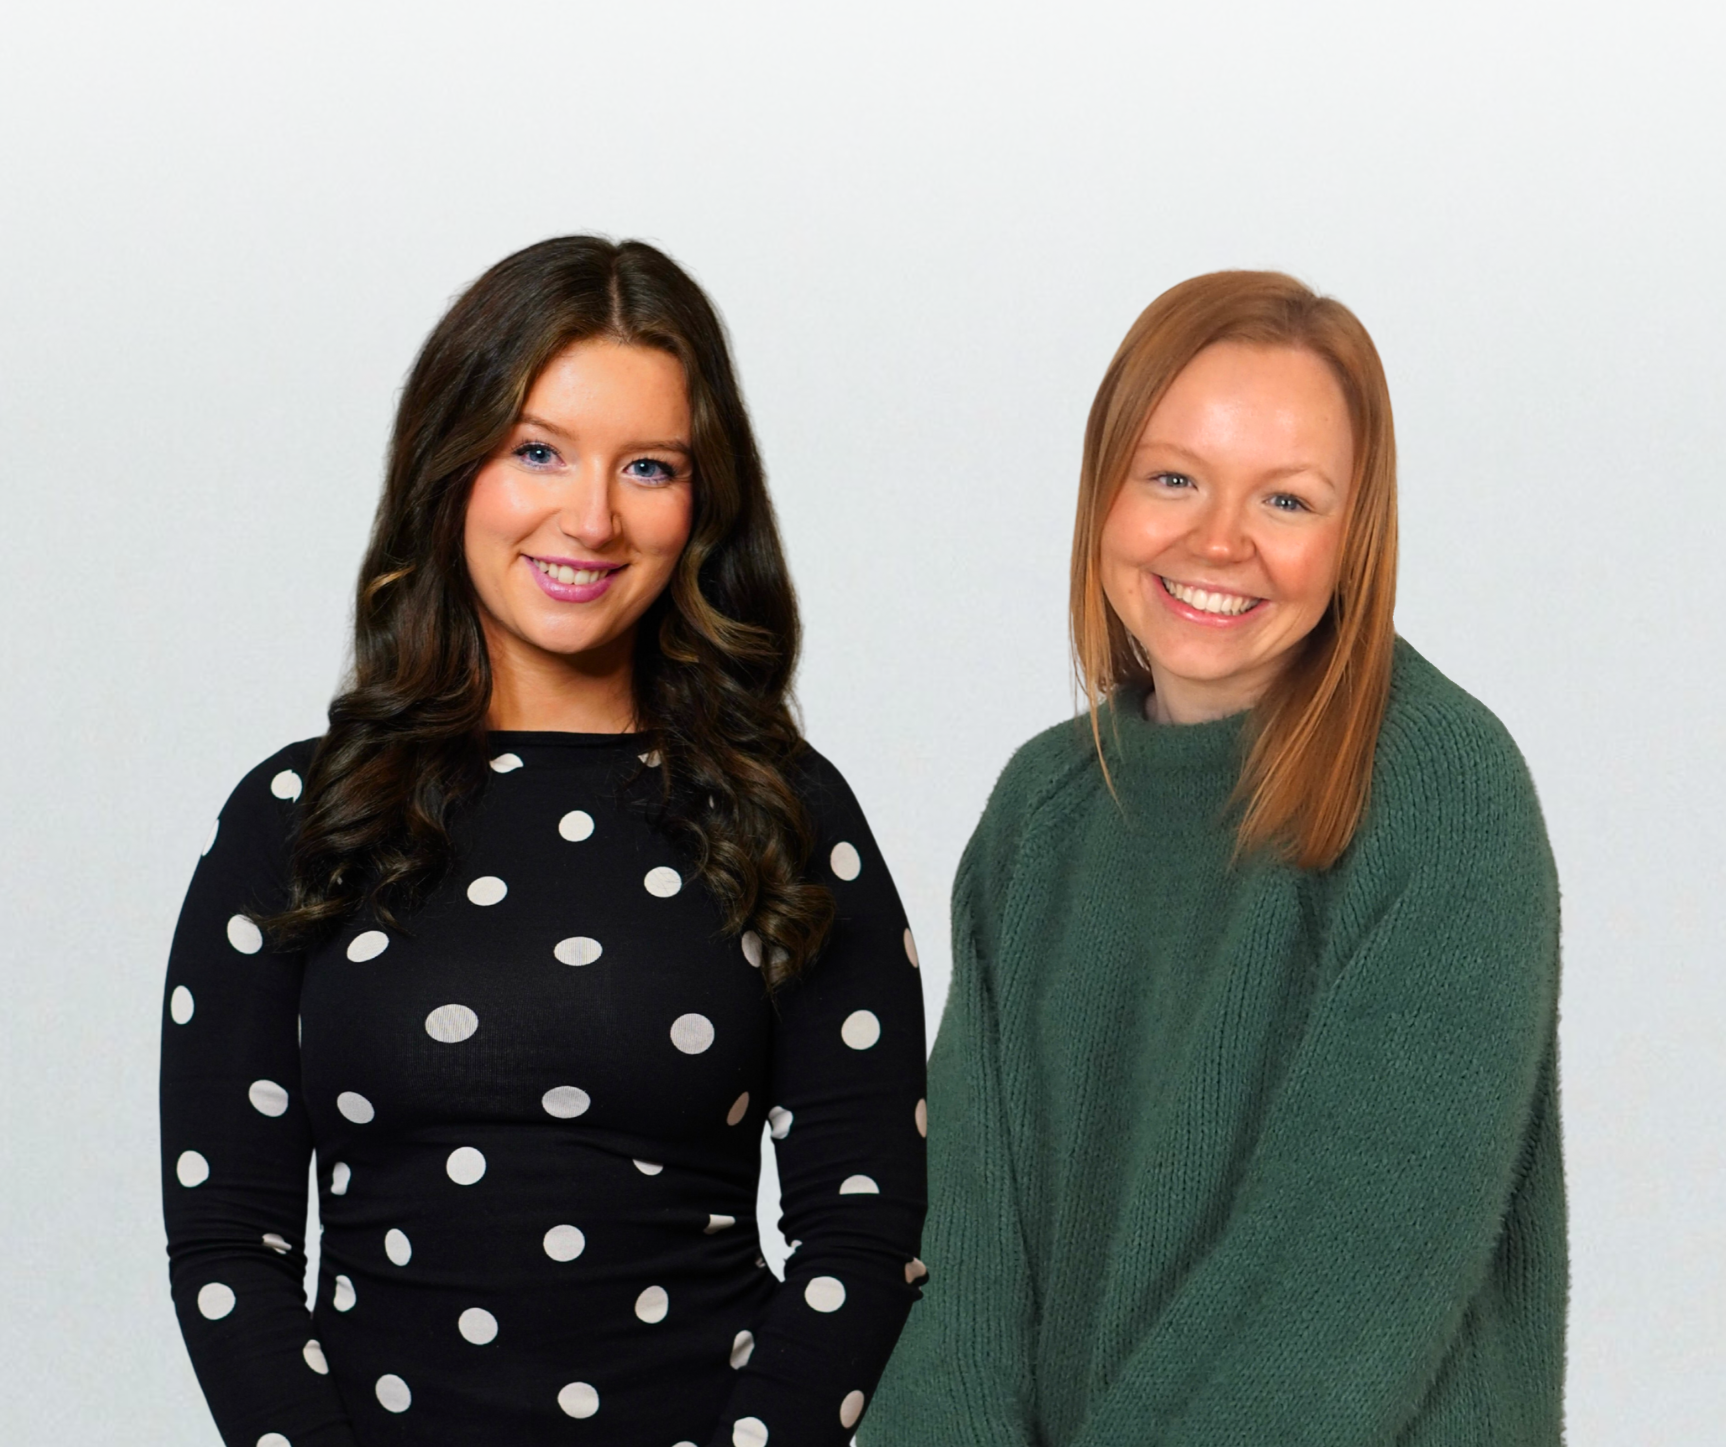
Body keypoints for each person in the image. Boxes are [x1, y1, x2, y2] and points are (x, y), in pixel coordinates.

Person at [159, 236, 927, 1447]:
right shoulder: (296, 818)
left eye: (651, 466)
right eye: (538, 451)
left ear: (703, 503)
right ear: (450, 465)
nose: (594, 518)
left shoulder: (787, 811)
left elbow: (865, 1233)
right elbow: (230, 1245)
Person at [866, 272, 1565, 1445]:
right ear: (1105, 494)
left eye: (1287, 500)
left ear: (1355, 536)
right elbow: (969, 1282)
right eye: (1173, 477)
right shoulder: (1042, 811)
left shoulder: (1442, 792)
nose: (1218, 539)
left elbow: (1332, 1303)